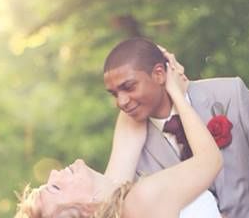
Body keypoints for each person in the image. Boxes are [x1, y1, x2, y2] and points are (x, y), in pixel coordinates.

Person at [103, 37, 249, 218]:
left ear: (159, 74)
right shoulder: (133, 150)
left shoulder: (230, 95)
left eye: (129, 87)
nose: (121, 101)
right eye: (114, 94)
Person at [15, 52, 223, 218]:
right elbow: (210, 161)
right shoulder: (141, 201)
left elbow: (132, 122)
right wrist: (175, 91)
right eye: (54, 188)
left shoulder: (113, 202)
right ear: (85, 211)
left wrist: (152, 65)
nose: (53, 174)